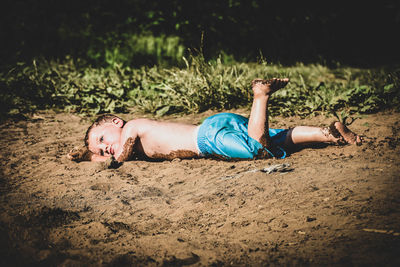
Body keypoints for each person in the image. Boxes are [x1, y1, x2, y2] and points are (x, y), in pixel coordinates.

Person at [67, 78, 362, 163]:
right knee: (272, 137)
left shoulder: (131, 129)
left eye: (101, 140)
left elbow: (122, 153)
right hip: (214, 125)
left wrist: (91, 157)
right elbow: (113, 153)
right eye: (99, 149)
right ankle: (328, 133)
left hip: (208, 139)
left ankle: (260, 95)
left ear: (116, 122)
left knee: (257, 150)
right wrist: (88, 154)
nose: (104, 148)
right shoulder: (127, 133)